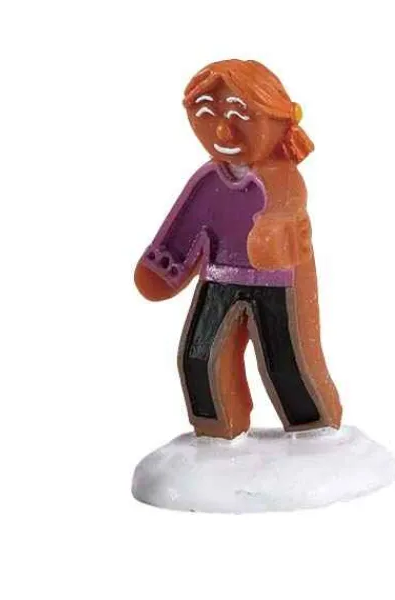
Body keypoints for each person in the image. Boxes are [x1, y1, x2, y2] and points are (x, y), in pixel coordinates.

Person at [134, 59, 341, 439]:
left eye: (240, 115)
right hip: (218, 280)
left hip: (277, 285)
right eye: (205, 114)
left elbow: (284, 209)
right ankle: (216, 432)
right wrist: (164, 265)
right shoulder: (209, 180)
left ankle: (312, 431)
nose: (222, 130)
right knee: (198, 356)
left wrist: (272, 233)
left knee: (285, 362)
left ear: (278, 119)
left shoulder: (282, 177)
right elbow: (186, 223)